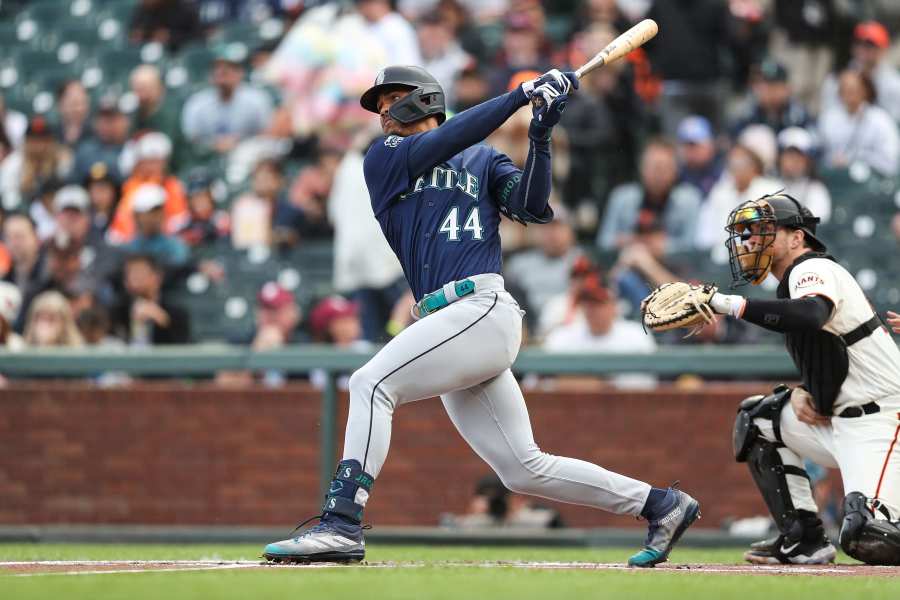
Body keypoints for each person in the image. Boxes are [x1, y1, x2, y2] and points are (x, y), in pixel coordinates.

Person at [263, 65, 699, 567]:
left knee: (371, 384)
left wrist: (541, 135)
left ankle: (341, 522)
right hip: (445, 322)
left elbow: (536, 209)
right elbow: (445, 141)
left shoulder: (485, 159)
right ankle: (661, 505)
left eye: (391, 98)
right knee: (523, 469)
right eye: (378, 102)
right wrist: (519, 96)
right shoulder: (383, 157)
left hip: (479, 307)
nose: (382, 110)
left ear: (423, 99)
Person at [704, 193, 900, 565]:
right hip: (840, 420)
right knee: (759, 420)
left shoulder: (814, 268)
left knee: (864, 533)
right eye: (747, 233)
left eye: (764, 230)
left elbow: (810, 314)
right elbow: (830, 351)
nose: (750, 241)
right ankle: (803, 539)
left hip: (884, 420)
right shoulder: (791, 283)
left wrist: (727, 304)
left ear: (797, 237)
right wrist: (804, 391)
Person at [598, 139, 702, 253]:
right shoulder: (621, 197)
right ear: (641, 168)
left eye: (664, 168)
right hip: (628, 264)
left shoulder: (689, 200)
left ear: (675, 171)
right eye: (654, 167)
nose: (658, 174)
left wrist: (661, 246)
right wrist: (634, 242)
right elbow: (603, 242)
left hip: (672, 268)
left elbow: (692, 246)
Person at [181, 44, 273, 155]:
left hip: (247, 154)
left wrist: (239, 142)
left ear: (241, 72)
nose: (222, 71)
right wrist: (214, 144)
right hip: (208, 156)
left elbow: (267, 133)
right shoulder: (197, 102)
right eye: (217, 67)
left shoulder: (257, 98)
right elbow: (191, 138)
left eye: (230, 67)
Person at [696, 144, 781, 250]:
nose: (736, 168)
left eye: (740, 163)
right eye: (732, 164)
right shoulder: (720, 191)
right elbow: (705, 229)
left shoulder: (771, 190)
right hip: (719, 257)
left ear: (754, 166)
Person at [108, 132, 189, 244]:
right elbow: (122, 219)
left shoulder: (172, 185)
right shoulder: (131, 186)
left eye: (156, 162)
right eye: (148, 161)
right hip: (134, 241)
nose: (152, 167)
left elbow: (180, 219)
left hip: (164, 240)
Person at [818, 69, 899, 178]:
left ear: (865, 90)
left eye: (853, 89)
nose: (848, 93)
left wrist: (854, 158)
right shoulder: (828, 118)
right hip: (835, 180)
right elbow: (820, 154)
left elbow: (890, 162)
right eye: (844, 88)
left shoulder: (880, 120)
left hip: (870, 182)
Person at [504, 206, 582, 318]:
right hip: (526, 326)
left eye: (557, 227)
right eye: (546, 227)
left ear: (570, 232)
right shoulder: (519, 264)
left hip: (567, 325)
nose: (552, 233)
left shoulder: (580, 261)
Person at [820, 21, 900, 124]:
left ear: (883, 49)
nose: (862, 49)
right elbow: (828, 115)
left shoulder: (894, 83)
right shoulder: (837, 78)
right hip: (844, 133)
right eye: (858, 43)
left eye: (869, 45)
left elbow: (895, 123)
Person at [111, 253, 191, 345]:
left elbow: (185, 348)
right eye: (129, 273)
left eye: (139, 273)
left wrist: (164, 321)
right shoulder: (117, 311)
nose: (133, 278)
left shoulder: (176, 313)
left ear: (157, 277)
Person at [729, 58, 812, 138]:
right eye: (758, 83)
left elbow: (814, 147)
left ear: (786, 88)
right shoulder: (746, 115)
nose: (763, 90)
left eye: (771, 85)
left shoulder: (799, 117)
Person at [122, 184, 190, 272]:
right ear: (137, 216)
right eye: (148, 213)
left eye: (157, 211)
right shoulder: (128, 249)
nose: (154, 217)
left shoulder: (176, 246)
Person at [776, 127, 831, 224]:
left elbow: (817, 222)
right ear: (779, 158)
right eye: (789, 155)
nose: (794, 162)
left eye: (799, 156)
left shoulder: (816, 189)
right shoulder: (768, 184)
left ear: (808, 160)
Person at [1, 213, 46, 333]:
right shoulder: (4, 277)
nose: (14, 243)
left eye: (19, 237)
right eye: (8, 237)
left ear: (36, 237)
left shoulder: (51, 274)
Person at [70, 96, 131, 184]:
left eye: (111, 119)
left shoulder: (136, 149)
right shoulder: (85, 152)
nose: (105, 125)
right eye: (101, 120)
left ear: (125, 121)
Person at [676, 115, 723, 197]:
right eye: (686, 145)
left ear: (710, 145)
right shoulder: (675, 175)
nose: (690, 151)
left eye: (695, 145)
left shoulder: (723, 174)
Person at [129, 0, 203, 51]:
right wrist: (137, 36)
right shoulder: (143, 9)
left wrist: (171, 37)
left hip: (176, 55)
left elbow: (198, 40)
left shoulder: (187, 10)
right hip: (146, 54)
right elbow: (131, 33)